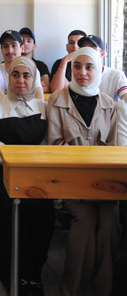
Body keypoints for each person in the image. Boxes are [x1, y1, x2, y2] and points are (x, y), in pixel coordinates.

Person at [47, 47, 121, 296]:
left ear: (98, 70)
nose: (82, 73)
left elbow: (112, 150)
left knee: (110, 222)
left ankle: (103, 288)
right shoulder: (57, 100)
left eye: (89, 67)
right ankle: (73, 288)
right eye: (77, 67)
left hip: (103, 187)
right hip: (70, 186)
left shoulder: (109, 105)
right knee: (86, 221)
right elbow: (55, 147)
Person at [0, 57, 54, 295]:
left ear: (34, 79)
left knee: (41, 213)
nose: (20, 80)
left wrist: (30, 167)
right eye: (15, 75)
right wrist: (17, 164)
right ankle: (11, 273)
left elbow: (46, 144)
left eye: (26, 75)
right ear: (8, 78)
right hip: (3, 173)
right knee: (4, 212)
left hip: (35, 174)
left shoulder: (44, 107)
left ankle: (33, 272)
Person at [0, 30, 44, 100]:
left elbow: (39, 100)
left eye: (14, 45)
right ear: (1, 49)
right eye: (5, 46)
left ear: (22, 48)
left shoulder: (33, 70)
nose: (10, 50)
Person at [76, 35, 127, 101]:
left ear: (102, 54)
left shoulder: (116, 75)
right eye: (84, 48)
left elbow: (125, 97)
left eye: (92, 48)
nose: (88, 51)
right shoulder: (78, 73)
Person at [19, 27, 51, 93]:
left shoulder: (41, 66)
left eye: (29, 41)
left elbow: (46, 88)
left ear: (34, 46)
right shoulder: (8, 64)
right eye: (22, 40)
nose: (25, 43)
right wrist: (36, 84)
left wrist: (21, 88)